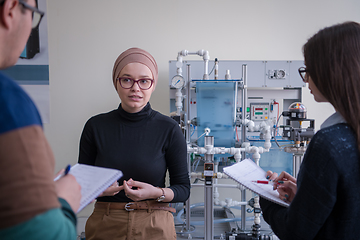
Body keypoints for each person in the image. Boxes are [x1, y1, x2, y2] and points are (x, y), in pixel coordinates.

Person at [260, 21, 360, 240]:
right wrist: (307, 196)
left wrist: (266, 197)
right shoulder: (350, 136)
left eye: (308, 71)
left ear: (331, 72)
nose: (305, 80)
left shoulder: (328, 143)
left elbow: (295, 232)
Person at [78, 47, 191, 240]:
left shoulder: (169, 129)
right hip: (106, 224)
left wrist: (156, 193)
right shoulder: (95, 126)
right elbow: (80, 184)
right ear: (117, 82)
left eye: (144, 81)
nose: (135, 88)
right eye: (127, 79)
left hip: (154, 224)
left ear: (153, 85)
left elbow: (183, 189)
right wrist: (98, 190)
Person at [0, 0, 82, 239]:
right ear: (10, 10)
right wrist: (64, 201)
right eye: (34, 15)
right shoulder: (9, 104)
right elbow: (46, 234)